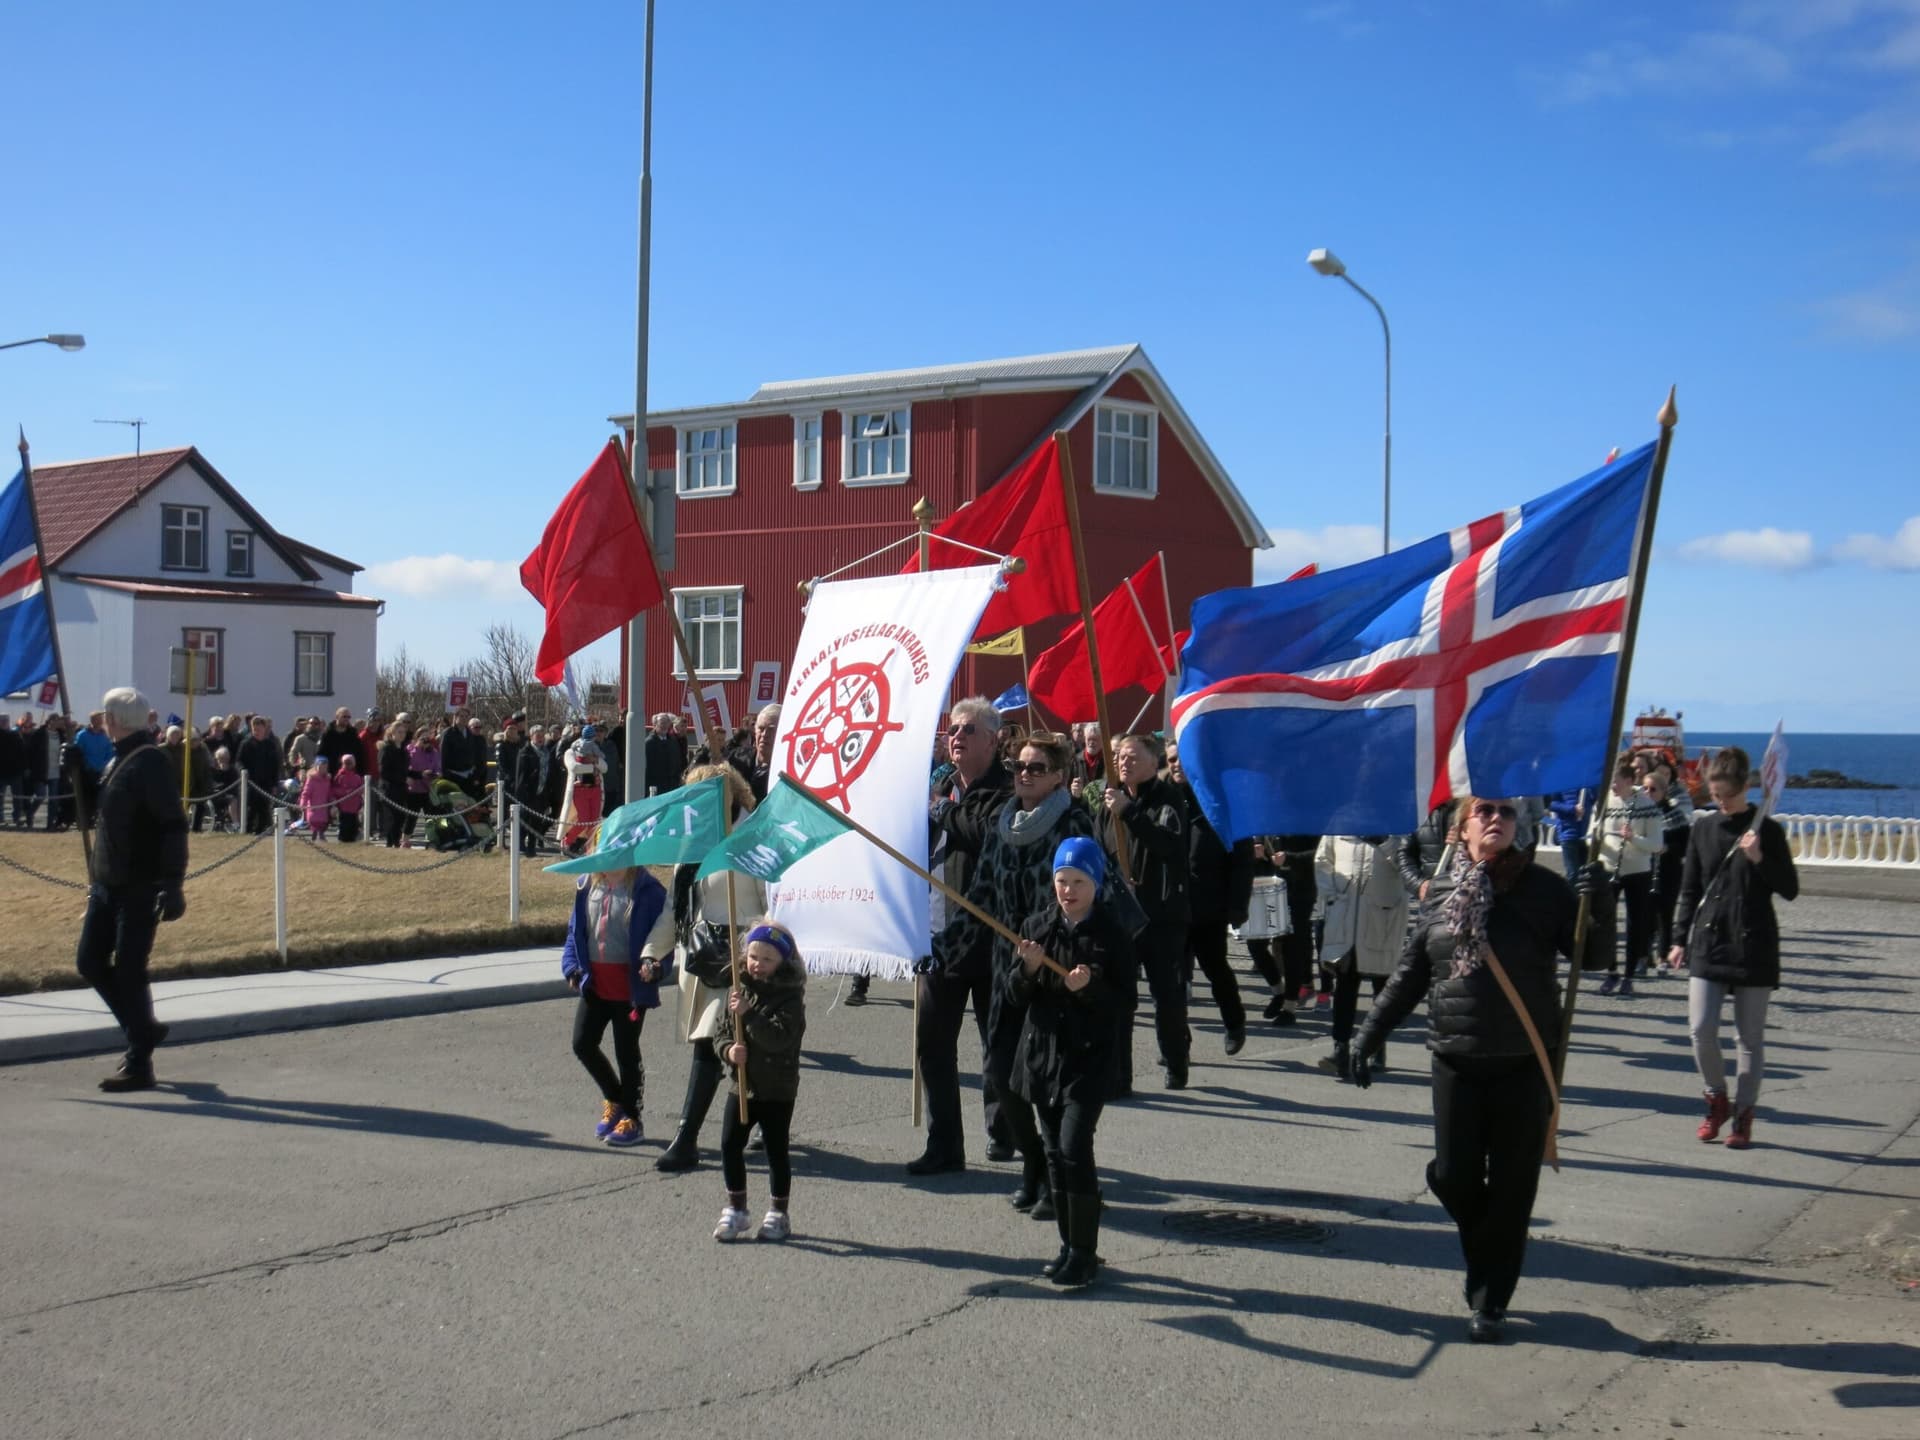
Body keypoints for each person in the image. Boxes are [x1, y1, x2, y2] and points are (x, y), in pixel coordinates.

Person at [1353, 795, 1600, 1343]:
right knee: (1453, 1177)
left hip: (1525, 1060)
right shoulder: (1441, 893)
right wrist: (1368, 1035)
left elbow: (1596, 957)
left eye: (1506, 813)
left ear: (1519, 828)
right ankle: (1489, 1252)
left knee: (1512, 1191)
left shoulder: (1547, 890)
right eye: (1484, 811)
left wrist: (1595, 901)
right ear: (1461, 829)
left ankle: (1490, 1301)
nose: (1496, 819)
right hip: (1455, 1059)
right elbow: (1412, 973)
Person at [923, 731, 1088, 1199]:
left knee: (1048, 1080)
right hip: (1009, 968)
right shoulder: (1006, 823)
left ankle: (1058, 1181)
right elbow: (983, 897)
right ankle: (1033, 1163)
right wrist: (942, 949)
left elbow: (1090, 894)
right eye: (1019, 767)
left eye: (1036, 769)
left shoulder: (1073, 822)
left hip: (1056, 966)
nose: (1024, 776)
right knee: (1000, 1071)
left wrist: (1058, 943)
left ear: (1058, 776)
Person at [1010, 836, 1132, 1288]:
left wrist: (1092, 989)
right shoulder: (1038, 926)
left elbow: (1126, 1001)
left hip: (1087, 1060)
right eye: (1062, 880)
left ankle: (1085, 1252)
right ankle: (1067, 1246)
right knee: (1054, 1155)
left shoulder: (1111, 933)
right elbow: (1012, 994)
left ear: (1096, 883)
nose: (1068, 890)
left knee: (1075, 1148)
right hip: (1043, 1056)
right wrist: (1026, 969)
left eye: (1079, 881)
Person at [1669, 746, 1799, 1150]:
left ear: (1746, 788)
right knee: (1700, 1030)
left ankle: (1743, 1115)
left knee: (1750, 1038)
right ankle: (1716, 1098)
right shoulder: (1703, 829)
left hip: (1754, 941)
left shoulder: (1768, 830)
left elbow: (1790, 889)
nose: (1720, 803)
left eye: (1727, 795)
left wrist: (1759, 858)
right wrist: (1677, 938)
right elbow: (1689, 887)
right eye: (1714, 795)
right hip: (1709, 941)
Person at [906, 698, 1017, 1171]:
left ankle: (1005, 1128)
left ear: (992, 740)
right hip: (941, 937)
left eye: (968, 729)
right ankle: (945, 1144)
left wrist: (938, 811)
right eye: (953, 729)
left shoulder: (1009, 789)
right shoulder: (942, 787)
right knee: (932, 1044)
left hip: (992, 939)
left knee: (997, 1045)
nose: (957, 737)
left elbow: (988, 829)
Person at [76, 687, 189, 1092]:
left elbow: (173, 825)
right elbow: (100, 809)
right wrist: (80, 774)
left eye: (106, 715)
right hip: (107, 882)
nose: (103, 722)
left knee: (128, 968)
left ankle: (139, 1061)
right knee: (89, 961)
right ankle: (142, 1029)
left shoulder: (149, 761)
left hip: (139, 885)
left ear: (116, 720)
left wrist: (173, 884)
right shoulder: (118, 759)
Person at [658, 764, 765, 1173]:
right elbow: (676, 907)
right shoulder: (693, 846)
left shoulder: (751, 839)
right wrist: (654, 952)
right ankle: (757, 1120)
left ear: (727, 796)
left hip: (742, 959)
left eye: (706, 795)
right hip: (701, 961)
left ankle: (686, 1138)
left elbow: (773, 902)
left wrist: (763, 955)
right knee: (729, 1048)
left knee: (714, 1044)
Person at [1094, 731, 1189, 1090]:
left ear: (1154, 762)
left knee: (1167, 997)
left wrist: (1129, 812)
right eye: (1120, 756)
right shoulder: (1109, 801)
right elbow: (1098, 847)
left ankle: (1176, 1063)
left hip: (1162, 916)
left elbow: (1165, 842)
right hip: (1121, 915)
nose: (1124, 762)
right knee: (1120, 997)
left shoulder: (1169, 799)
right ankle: (1119, 1075)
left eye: (1133, 756)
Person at [710, 920, 808, 1243]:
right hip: (743, 1084)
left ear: (783, 961)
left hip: (777, 1089)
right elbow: (721, 1033)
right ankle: (736, 1208)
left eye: (767, 959)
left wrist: (750, 1014)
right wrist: (728, 1051)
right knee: (729, 1144)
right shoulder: (738, 989)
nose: (758, 964)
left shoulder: (790, 998)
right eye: (753, 956)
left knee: (776, 1150)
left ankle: (779, 1213)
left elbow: (779, 1038)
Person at [560, 863, 669, 1149]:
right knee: (582, 1043)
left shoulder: (648, 890)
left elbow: (664, 936)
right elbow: (575, 931)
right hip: (595, 984)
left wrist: (655, 966)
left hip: (629, 989)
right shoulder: (586, 885)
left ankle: (632, 1119)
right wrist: (572, 967)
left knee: (626, 1053)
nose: (605, 862)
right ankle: (615, 1098)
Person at [1167, 738, 1254, 1054]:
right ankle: (1177, 1041)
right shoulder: (1165, 800)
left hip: (1208, 906)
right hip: (1171, 905)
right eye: (1171, 759)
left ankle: (1235, 1022)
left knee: (1215, 968)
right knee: (1173, 978)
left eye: (1182, 758)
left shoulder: (1222, 805)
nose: (1176, 764)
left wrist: (1236, 905)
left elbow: (1243, 860)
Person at [1314, 835, 1410, 1079]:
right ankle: (1341, 1050)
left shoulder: (1396, 827)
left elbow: (1408, 865)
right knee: (1345, 986)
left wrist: (1386, 842)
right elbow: (1322, 859)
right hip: (1346, 918)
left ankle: (1377, 1048)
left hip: (1381, 916)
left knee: (1383, 991)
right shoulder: (1340, 824)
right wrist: (1332, 894)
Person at [1588, 756, 1664, 996]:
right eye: (1610, 782)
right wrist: (1596, 838)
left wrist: (1634, 838)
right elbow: (1591, 835)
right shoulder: (1604, 802)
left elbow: (1656, 844)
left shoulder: (1647, 806)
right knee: (1606, 923)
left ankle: (1629, 975)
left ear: (1631, 780)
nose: (1612, 787)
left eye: (1617, 782)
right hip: (1609, 869)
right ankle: (1611, 972)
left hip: (1638, 872)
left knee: (1635, 924)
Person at [1647, 761, 1694, 959]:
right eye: (1645, 788)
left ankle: (1663, 954)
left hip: (1669, 869)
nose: (1648, 793)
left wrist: (1667, 848)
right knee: (1645, 914)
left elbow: (1685, 845)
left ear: (1664, 791)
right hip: (1645, 869)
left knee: (1665, 913)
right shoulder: (1640, 813)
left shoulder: (1675, 814)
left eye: (1653, 789)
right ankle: (1644, 955)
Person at [560, 724, 608, 853]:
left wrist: (595, 760)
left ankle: (590, 848)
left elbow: (604, 767)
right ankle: (567, 841)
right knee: (584, 819)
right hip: (580, 789)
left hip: (596, 789)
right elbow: (575, 767)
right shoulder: (570, 752)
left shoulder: (594, 749)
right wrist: (593, 767)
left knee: (594, 821)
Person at [236, 716, 283, 833]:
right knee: (251, 807)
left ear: (264, 729)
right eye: (254, 729)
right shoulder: (246, 744)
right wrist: (242, 770)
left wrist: (274, 784)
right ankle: (247, 829)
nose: (257, 732)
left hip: (266, 782)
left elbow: (275, 765)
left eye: (259, 729)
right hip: (251, 781)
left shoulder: (270, 745)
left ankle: (260, 830)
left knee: (264, 808)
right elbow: (238, 761)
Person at [379, 721, 415, 848]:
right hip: (389, 790)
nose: (402, 735)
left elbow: (405, 770)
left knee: (400, 818)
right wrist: (403, 779)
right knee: (392, 819)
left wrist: (420, 775)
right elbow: (384, 772)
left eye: (404, 732)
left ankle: (396, 843)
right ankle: (391, 844)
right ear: (392, 733)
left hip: (400, 790)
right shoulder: (386, 749)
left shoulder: (403, 750)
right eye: (399, 732)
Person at [1546, 789, 1590, 881]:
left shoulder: (1587, 781)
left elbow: (1594, 799)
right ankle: (1568, 894)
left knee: (1585, 873)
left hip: (1585, 834)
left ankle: (1579, 895)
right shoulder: (1563, 780)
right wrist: (1572, 809)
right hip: (1567, 833)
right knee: (1573, 873)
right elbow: (1551, 804)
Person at [643, 712, 686, 797]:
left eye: (667, 723)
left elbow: (678, 761)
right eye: (662, 723)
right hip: (656, 785)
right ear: (655, 725)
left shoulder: (673, 741)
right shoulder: (649, 743)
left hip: (672, 785)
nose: (665, 726)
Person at [297, 755, 335, 839]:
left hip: (323, 807)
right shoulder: (312, 779)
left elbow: (329, 792)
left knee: (323, 824)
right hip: (313, 807)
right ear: (316, 767)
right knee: (315, 823)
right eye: (321, 767)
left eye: (325, 768)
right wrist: (302, 803)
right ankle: (316, 836)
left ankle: (319, 835)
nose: (323, 770)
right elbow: (306, 793)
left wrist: (332, 801)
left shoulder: (327, 780)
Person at [316, 707, 361, 774]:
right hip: (331, 771)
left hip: (349, 772)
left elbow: (358, 752)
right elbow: (321, 753)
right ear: (337, 717)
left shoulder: (353, 733)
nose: (347, 719)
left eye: (349, 717)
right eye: (344, 717)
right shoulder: (328, 733)